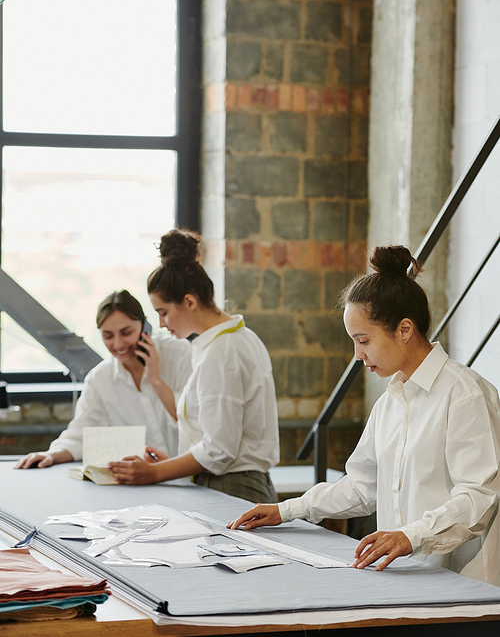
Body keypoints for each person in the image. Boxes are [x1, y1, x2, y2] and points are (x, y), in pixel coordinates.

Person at [227, 245, 500, 587]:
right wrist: (286, 510)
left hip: (464, 584)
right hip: (403, 579)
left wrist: (409, 536)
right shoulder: (390, 402)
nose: (358, 354)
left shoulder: (465, 395)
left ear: (404, 329)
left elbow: (479, 497)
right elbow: (360, 487)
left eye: (363, 340)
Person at [108, 229, 280, 505]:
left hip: (234, 488)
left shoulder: (223, 351)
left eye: (163, 312)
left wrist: (154, 473)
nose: (162, 323)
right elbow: (208, 427)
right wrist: (173, 464)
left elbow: (219, 450)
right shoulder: (227, 341)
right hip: (227, 483)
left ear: (189, 301)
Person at [14, 290, 193, 469]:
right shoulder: (100, 379)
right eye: (108, 336)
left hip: (190, 474)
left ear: (144, 325)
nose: (118, 344)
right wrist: (51, 454)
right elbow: (80, 433)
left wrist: (155, 381)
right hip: (144, 481)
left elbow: (193, 418)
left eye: (126, 332)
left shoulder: (180, 354)